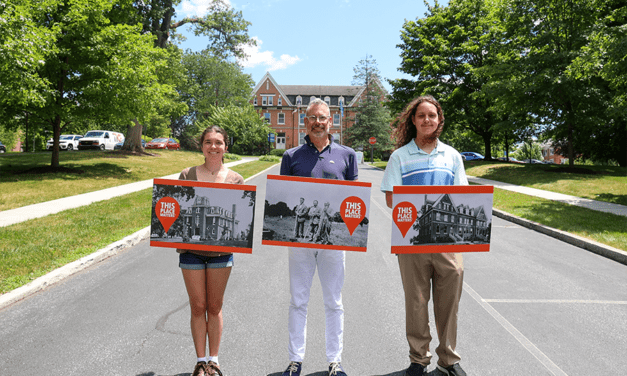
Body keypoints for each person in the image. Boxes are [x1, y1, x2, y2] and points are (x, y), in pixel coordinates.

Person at [380, 96, 468, 376]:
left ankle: (448, 360)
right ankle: (418, 360)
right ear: (413, 120)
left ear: (439, 120)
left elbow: (462, 196)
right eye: (422, 116)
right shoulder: (400, 157)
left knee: (449, 302)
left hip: (448, 241)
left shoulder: (452, 156)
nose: (427, 120)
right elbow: (392, 200)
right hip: (412, 241)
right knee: (416, 302)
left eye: (432, 115)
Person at [279, 98, 358, 376]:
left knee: (333, 302)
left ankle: (335, 362)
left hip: (333, 243)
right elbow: (285, 197)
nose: (317, 122)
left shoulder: (348, 156)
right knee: (298, 300)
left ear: (331, 120)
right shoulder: (291, 156)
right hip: (299, 243)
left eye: (322, 117)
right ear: (305, 121)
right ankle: (294, 360)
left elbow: (353, 200)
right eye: (312, 117)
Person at [177, 125, 244, 376]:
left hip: (221, 253)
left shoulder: (235, 179)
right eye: (208, 142)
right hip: (191, 251)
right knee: (197, 306)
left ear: (226, 147)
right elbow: (180, 211)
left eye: (218, 142)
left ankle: (213, 361)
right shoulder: (187, 174)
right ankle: (200, 361)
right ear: (201, 146)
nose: (213, 146)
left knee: (214, 306)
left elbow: (240, 220)